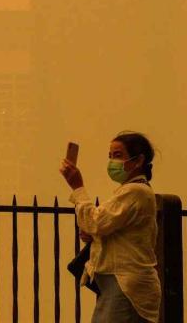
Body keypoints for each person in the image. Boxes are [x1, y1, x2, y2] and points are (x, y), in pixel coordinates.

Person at [59, 131, 161, 323]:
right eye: (110, 156)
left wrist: (77, 187)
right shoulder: (130, 191)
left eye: (118, 155)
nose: (112, 162)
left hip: (125, 285)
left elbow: (96, 222)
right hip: (118, 284)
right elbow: (111, 230)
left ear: (138, 160)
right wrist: (95, 235)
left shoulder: (136, 191)